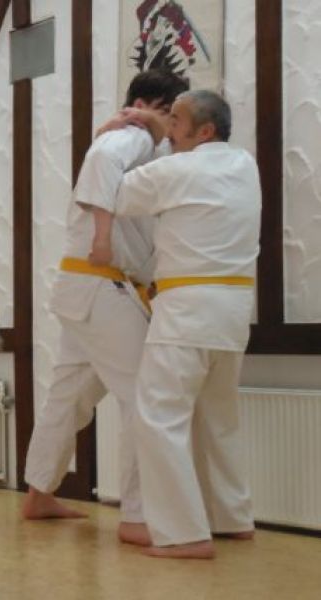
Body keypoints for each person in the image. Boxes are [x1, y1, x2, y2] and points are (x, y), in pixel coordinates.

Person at [20, 70, 189, 546]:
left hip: (88, 290)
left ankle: (39, 493)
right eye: (171, 113)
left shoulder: (148, 144)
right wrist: (102, 237)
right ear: (148, 105)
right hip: (101, 284)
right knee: (144, 395)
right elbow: (100, 160)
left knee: (69, 395)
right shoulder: (131, 134)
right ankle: (136, 515)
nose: (174, 125)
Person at [111, 90, 259, 559]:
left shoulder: (179, 170)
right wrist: (165, 134)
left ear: (205, 130)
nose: (169, 128)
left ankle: (183, 534)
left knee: (158, 417)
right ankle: (231, 518)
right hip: (232, 313)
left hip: (187, 311)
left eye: (175, 121)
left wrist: (128, 134)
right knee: (218, 419)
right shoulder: (245, 166)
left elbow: (117, 194)